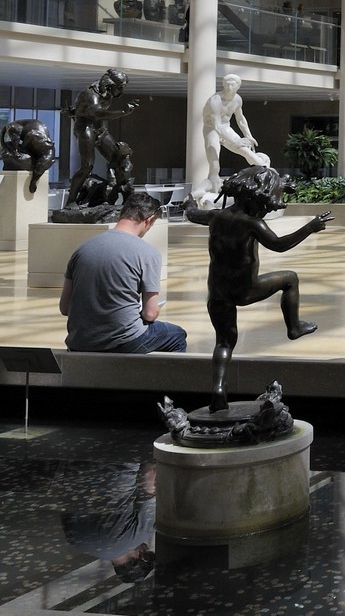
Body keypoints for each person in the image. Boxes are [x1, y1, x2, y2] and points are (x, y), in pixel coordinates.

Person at [186, 167, 330, 411]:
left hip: (218, 291)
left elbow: (191, 214)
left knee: (224, 342)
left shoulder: (216, 217)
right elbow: (279, 245)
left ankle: (219, 389)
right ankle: (294, 327)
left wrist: (189, 203)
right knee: (290, 278)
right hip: (245, 289)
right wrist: (310, 227)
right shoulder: (253, 223)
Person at [59, 192, 186, 353]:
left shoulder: (81, 250)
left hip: (79, 340)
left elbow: (64, 308)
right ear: (149, 220)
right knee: (177, 336)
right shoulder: (147, 253)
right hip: (122, 341)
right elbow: (150, 313)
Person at [65, 69, 139, 208]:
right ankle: (71, 201)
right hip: (85, 128)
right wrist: (123, 112)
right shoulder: (90, 94)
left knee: (120, 159)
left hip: (99, 129)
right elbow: (97, 113)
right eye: (120, 88)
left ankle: (120, 196)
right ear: (111, 85)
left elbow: (85, 110)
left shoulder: (106, 92)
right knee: (87, 166)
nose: (121, 92)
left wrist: (75, 111)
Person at [200, 73, 271, 197]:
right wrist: (236, 142)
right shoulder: (215, 100)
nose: (229, 87)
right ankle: (212, 191)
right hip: (211, 129)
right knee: (214, 163)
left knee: (247, 152)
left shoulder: (237, 99)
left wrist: (248, 136)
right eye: (226, 84)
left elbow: (241, 119)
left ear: (238, 86)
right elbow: (216, 125)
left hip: (226, 127)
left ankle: (266, 172)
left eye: (232, 85)